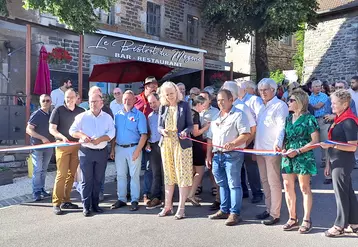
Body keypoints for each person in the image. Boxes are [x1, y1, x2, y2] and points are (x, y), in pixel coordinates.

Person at [207, 89, 250, 226]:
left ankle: (234, 213)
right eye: (218, 100)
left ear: (231, 100)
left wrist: (233, 143)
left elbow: (246, 134)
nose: (220, 103)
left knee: (234, 184)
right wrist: (209, 155)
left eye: (223, 100)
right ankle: (224, 210)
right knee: (222, 184)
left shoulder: (239, 115)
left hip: (233, 155)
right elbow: (210, 137)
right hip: (217, 155)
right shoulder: (215, 117)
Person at [69, 93, 115, 217]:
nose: (93, 104)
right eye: (91, 102)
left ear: (101, 103)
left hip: (101, 152)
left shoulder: (107, 117)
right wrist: (82, 136)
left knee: (98, 180)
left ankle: (95, 205)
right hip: (86, 152)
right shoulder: (82, 117)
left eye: (95, 101)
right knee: (86, 180)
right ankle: (86, 206)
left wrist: (101, 139)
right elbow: (72, 131)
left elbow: (112, 133)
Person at [281, 89, 319, 233]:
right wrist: (284, 149)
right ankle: (292, 218)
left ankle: (307, 219)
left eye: (291, 100)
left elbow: (315, 141)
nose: (288, 102)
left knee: (304, 188)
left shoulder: (309, 119)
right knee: (287, 186)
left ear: (299, 102)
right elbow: (286, 138)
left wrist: (298, 151)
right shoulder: (287, 119)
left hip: (303, 156)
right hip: (288, 156)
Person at [320, 89, 358, 237]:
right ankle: (354, 223)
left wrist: (332, 146)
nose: (332, 106)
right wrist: (329, 163)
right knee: (347, 192)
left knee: (341, 194)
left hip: (343, 161)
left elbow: (353, 146)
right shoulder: (340, 119)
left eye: (335, 103)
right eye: (332, 103)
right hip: (337, 160)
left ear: (345, 104)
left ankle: (339, 225)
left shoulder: (348, 121)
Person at [255, 78, 289, 225]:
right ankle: (268, 208)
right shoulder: (262, 106)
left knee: (273, 182)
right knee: (264, 181)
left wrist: (278, 143)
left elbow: (282, 126)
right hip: (260, 149)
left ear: (273, 90)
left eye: (265, 90)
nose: (262, 93)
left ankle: (275, 213)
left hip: (272, 150)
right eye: (260, 90)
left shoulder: (280, 106)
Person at [157, 81, 193, 219]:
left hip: (181, 144)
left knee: (182, 175)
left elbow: (190, 125)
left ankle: (181, 207)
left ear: (176, 92)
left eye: (172, 94)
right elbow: (158, 126)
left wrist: (184, 131)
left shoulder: (184, 105)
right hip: (166, 144)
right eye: (167, 95)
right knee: (169, 175)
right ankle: (167, 206)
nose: (170, 97)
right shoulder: (163, 107)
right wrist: (162, 130)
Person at [222, 81, 261, 203]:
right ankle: (244, 191)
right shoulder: (228, 108)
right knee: (240, 170)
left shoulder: (242, 107)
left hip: (245, 143)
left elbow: (253, 127)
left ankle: (257, 193)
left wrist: (245, 144)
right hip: (234, 146)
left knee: (250, 168)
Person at [49, 89, 85, 215]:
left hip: (76, 146)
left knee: (71, 175)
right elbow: (52, 129)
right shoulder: (58, 110)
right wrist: (61, 137)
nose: (69, 100)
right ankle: (56, 203)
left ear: (77, 98)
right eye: (67, 97)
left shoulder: (81, 111)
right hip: (62, 146)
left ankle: (66, 200)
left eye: (71, 97)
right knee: (61, 174)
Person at [110, 90, 147, 211]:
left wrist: (137, 150)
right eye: (125, 99)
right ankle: (121, 199)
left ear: (134, 100)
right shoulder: (117, 115)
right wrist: (112, 149)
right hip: (119, 148)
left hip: (133, 148)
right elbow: (114, 134)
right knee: (120, 175)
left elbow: (144, 135)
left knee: (134, 176)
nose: (127, 102)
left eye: (130, 99)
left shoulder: (139, 115)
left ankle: (134, 200)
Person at [26, 94, 55, 201]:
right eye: (43, 101)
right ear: (40, 102)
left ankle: (41, 188)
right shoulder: (36, 114)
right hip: (37, 146)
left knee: (44, 169)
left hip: (49, 145)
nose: (46, 103)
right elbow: (29, 130)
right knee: (37, 169)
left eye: (48, 100)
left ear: (51, 102)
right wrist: (42, 138)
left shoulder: (52, 114)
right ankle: (36, 192)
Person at [187, 95, 210, 206]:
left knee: (192, 171)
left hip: (191, 146)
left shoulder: (190, 113)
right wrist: (206, 127)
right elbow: (196, 133)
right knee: (199, 171)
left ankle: (189, 193)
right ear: (199, 104)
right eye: (204, 105)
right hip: (196, 146)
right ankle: (191, 194)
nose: (204, 108)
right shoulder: (194, 114)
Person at [199, 90, 220, 209]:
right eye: (200, 98)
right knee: (198, 166)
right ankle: (198, 186)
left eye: (204, 98)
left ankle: (214, 187)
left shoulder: (215, 112)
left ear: (210, 100)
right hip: (197, 141)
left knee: (211, 166)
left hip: (210, 142)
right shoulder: (196, 109)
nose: (202, 101)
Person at [145, 93, 164, 209]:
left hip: (165, 145)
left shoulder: (166, 113)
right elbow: (149, 132)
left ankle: (168, 197)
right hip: (153, 145)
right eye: (150, 103)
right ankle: (156, 197)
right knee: (155, 172)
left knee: (167, 172)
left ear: (159, 101)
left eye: (154, 102)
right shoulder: (150, 116)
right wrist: (147, 142)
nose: (152, 105)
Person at [308, 80, 330, 168]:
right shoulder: (309, 97)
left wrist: (309, 105)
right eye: (316, 86)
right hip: (313, 120)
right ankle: (323, 159)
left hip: (322, 119)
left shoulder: (324, 96)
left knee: (325, 140)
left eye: (319, 86)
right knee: (317, 141)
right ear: (312, 88)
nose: (318, 88)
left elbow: (318, 106)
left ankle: (327, 161)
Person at [348, 76, 358, 169]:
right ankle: (355, 159)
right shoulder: (348, 93)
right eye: (350, 82)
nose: (351, 84)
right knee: (354, 139)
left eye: (353, 82)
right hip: (353, 119)